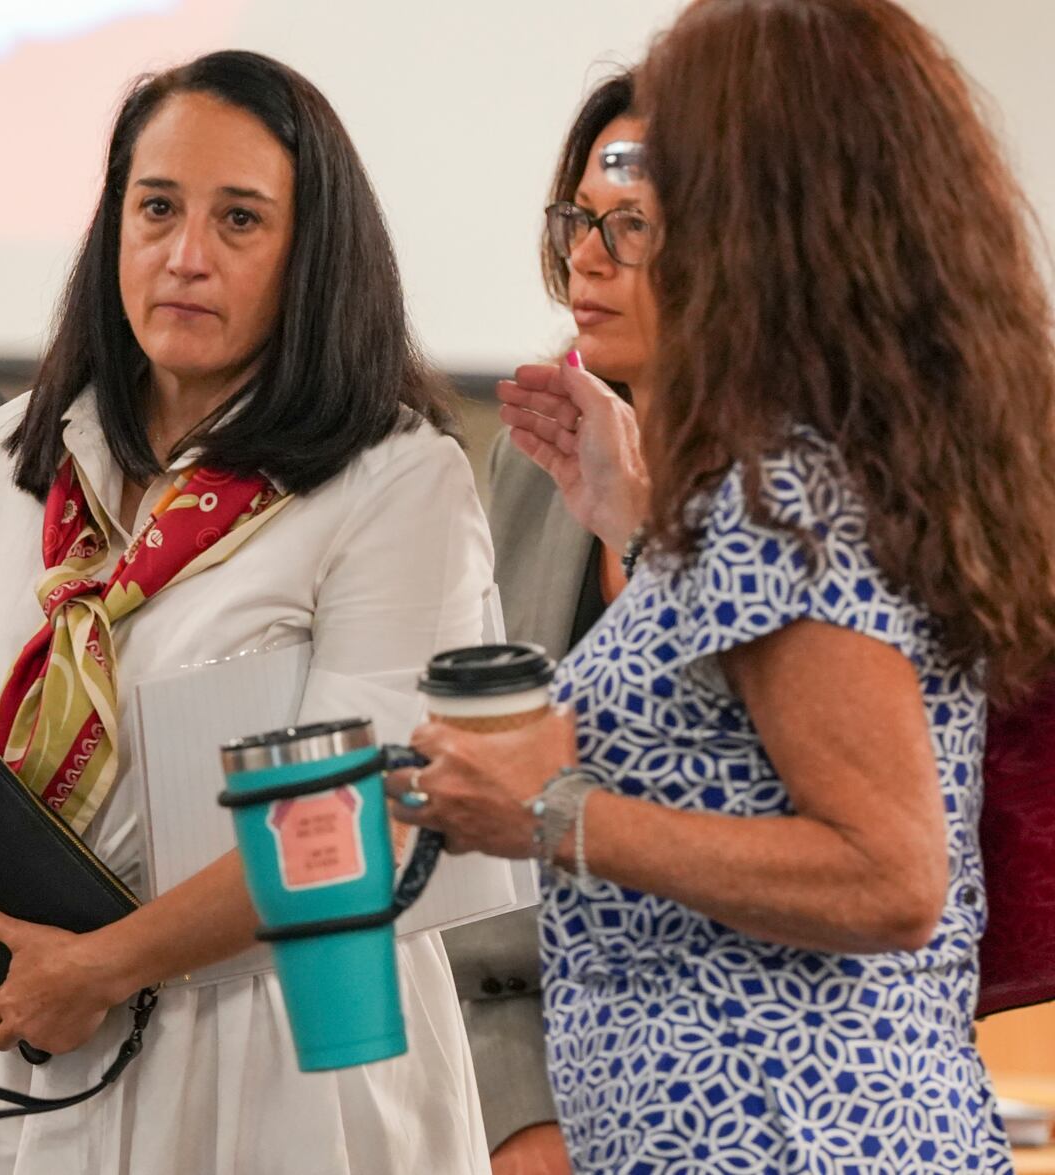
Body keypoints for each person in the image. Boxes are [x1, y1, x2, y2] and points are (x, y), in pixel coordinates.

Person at [391, 0, 1055, 1169]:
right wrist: (641, 530)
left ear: (757, 209)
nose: (598, 252)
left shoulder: (779, 481)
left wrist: (550, 812)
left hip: (783, 1135)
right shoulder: (804, 466)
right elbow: (750, 743)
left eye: (658, 198)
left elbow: (887, 874)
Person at [0, 49, 496, 1175]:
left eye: (240, 219)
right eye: (156, 208)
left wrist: (103, 964)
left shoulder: (394, 479)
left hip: (273, 1038)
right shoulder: (22, 445)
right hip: (12, 1007)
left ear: (311, 254)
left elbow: (362, 819)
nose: (185, 256)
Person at [441, 72, 644, 1174]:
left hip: (763, 1093)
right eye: (577, 221)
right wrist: (518, 1113)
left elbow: (885, 881)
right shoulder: (537, 450)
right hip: (544, 1109)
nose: (586, 259)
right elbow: (476, 869)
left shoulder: (842, 484)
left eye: (633, 226)